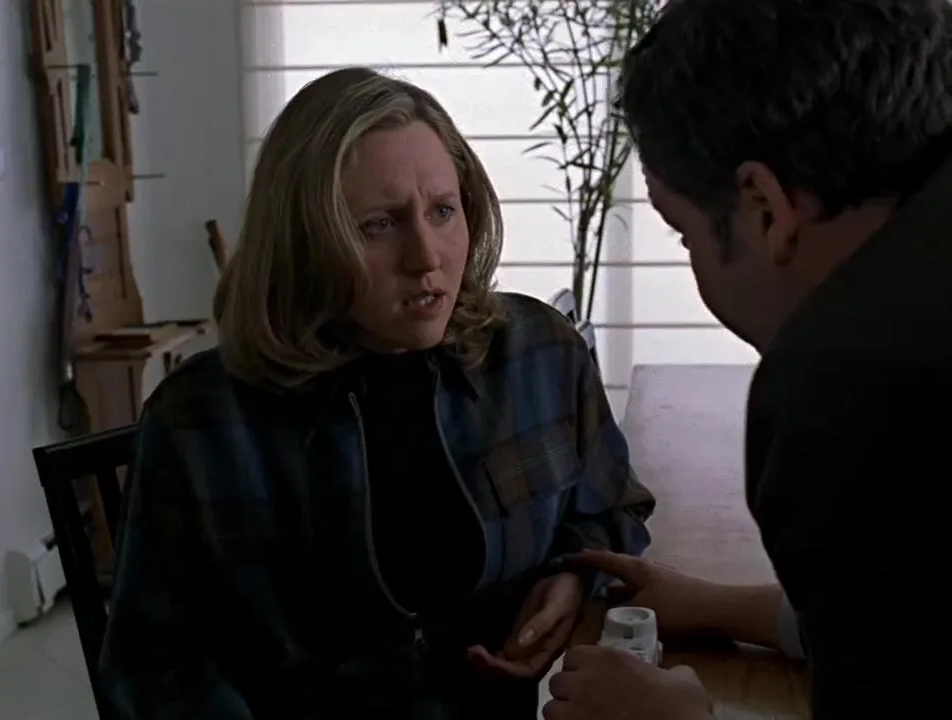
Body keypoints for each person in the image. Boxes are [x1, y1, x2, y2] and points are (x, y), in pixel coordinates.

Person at [543, 0, 952, 718]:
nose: (695, 263)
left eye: (683, 234)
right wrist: (732, 608)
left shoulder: (860, 373)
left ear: (763, 207)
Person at [100, 67, 655, 719]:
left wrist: (572, 574)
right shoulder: (201, 422)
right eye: (378, 225)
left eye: (442, 211)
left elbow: (613, 508)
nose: (426, 257)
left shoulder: (540, 354)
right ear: (304, 242)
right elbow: (152, 672)